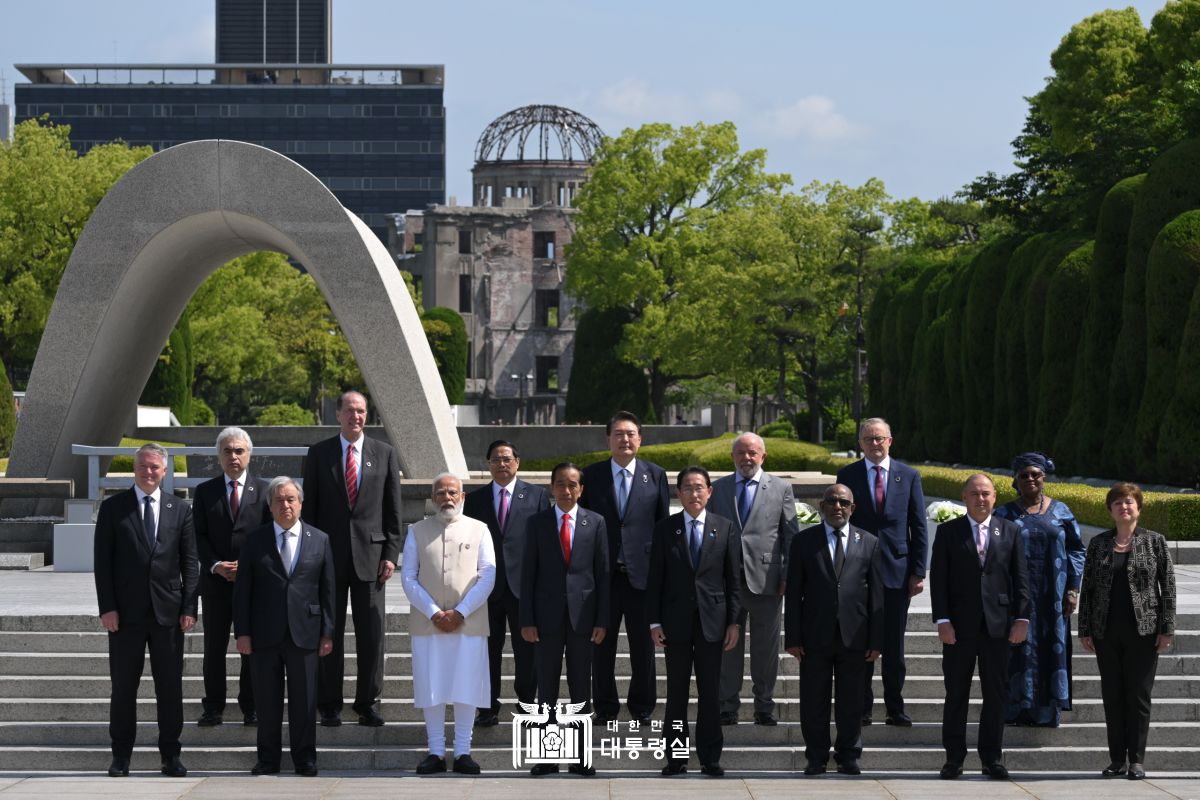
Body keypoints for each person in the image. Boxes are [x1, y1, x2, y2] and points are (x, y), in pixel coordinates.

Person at [93, 443, 199, 778]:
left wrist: (189, 608)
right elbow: (102, 564)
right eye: (143, 466)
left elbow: (189, 563)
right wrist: (107, 607)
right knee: (123, 687)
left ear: (165, 471)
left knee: (170, 688)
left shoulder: (180, 509)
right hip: (125, 616)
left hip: (168, 614)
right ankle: (121, 756)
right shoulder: (113, 508)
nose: (149, 472)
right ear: (134, 469)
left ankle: (171, 755)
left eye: (155, 467)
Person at [301, 389, 402, 727]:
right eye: (350, 411)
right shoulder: (319, 454)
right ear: (338, 414)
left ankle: (367, 702)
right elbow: (309, 511)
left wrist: (391, 554)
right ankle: (329, 703)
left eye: (361, 411)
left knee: (371, 634)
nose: (356, 417)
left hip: (371, 559)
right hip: (327, 557)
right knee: (329, 632)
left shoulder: (385, 454)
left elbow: (393, 512)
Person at [234, 477, 335, 777]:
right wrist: (242, 632)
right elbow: (243, 592)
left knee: (304, 703)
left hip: (305, 632)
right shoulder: (255, 541)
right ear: (270, 506)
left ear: (301, 503)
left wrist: (328, 632)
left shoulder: (320, 539)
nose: (285, 505)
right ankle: (268, 759)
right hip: (264, 635)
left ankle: (305, 759)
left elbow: (328, 590)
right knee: (266, 702)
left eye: (291, 499)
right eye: (279, 500)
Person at [930, 474, 1030, 780]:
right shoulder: (949, 532)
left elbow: (1021, 579)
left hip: (998, 627)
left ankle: (992, 758)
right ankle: (954, 759)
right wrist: (942, 619)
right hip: (959, 627)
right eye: (974, 493)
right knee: (956, 693)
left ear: (995, 497)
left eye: (986, 493)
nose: (981, 498)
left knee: (995, 694)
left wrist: (1022, 619)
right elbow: (939, 579)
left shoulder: (1010, 531)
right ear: (964, 497)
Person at [647, 467, 741, 778]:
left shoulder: (724, 528)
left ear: (710, 492)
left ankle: (710, 757)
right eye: (687, 487)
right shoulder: (665, 529)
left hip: (712, 623)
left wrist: (734, 623)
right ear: (678, 493)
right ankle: (675, 758)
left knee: (710, 692)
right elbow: (655, 580)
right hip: (674, 624)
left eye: (699, 487)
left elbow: (734, 580)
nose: (694, 493)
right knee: (676, 693)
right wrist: (654, 623)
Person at [1079, 482, 1176, 780]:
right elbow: (1089, 589)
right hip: (1106, 630)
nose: (1124, 507)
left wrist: (1166, 629)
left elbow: (1168, 587)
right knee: (1112, 694)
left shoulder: (1154, 542)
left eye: (1130, 502)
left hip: (1144, 631)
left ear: (1139, 508)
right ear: (1110, 510)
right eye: (1118, 502)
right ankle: (1116, 759)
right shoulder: (1099, 544)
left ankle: (1136, 760)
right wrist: (1084, 628)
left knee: (1138, 695)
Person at [785, 483, 883, 776]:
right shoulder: (804, 542)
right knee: (813, 701)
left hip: (855, 636)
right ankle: (816, 757)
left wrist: (876, 639)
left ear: (853, 508)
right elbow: (793, 593)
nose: (837, 507)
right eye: (831, 501)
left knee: (851, 701)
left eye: (843, 502)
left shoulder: (870, 542)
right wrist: (793, 637)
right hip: (815, 635)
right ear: (821, 507)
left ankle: (848, 755)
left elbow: (877, 596)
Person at [401, 474, 496, 776]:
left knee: (467, 686)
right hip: (429, 624)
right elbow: (408, 577)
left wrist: (461, 612)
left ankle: (464, 752)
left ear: (463, 496)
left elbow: (487, 576)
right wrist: (434, 612)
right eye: (440, 493)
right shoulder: (417, 531)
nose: (446, 498)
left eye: (452, 492)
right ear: (432, 497)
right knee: (434, 687)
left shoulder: (480, 530)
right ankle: (436, 752)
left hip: (469, 623)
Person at [579, 411, 669, 725]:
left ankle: (642, 707)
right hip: (602, 577)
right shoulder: (591, 476)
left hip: (641, 577)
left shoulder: (655, 475)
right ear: (608, 439)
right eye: (618, 434)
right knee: (600, 646)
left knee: (643, 648)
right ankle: (604, 707)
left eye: (631, 433)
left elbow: (662, 530)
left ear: (640, 438)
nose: (625, 439)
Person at [836, 417, 927, 727]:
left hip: (897, 572)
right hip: (856, 573)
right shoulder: (847, 475)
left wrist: (918, 570)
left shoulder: (909, 475)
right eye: (868, 439)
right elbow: (840, 524)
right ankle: (862, 708)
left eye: (880, 438)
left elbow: (919, 525)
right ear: (860, 444)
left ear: (890, 441)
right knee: (860, 644)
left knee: (894, 648)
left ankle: (895, 707)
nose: (875, 444)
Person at [519, 462, 609, 777]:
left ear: (581, 489)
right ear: (551, 488)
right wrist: (526, 619)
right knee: (546, 689)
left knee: (581, 687)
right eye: (560, 484)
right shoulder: (538, 523)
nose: (566, 490)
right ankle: (547, 756)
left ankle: (581, 757)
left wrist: (602, 619)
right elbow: (527, 574)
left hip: (583, 618)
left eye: (572, 484)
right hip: (545, 619)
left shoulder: (596, 522)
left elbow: (602, 575)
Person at [710, 432, 797, 726]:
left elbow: (790, 536)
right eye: (741, 453)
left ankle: (764, 706)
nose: (747, 458)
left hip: (767, 581)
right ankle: (727, 705)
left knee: (765, 650)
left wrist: (787, 575)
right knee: (728, 647)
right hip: (726, 583)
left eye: (752, 453)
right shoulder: (718, 489)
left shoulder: (781, 488)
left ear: (763, 456)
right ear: (732, 456)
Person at [993, 452, 1086, 727]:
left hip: (1053, 598)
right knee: (1017, 652)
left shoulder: (1061, 511)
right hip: (1016, 599)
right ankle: (1016, 710)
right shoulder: (1004, 514)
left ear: (1044, 478)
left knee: (1050, 650)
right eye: (1024, 475)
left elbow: (1076, 550)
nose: (1030, 479)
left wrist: (1073, 588)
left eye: (1035, 474)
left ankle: (1046, 712)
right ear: (1015, 480)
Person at [463, 440, 549, 727]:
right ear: (488, 464)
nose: (502, 464)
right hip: (486, 588)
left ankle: (527, 705)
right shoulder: (475, 500)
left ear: (517, 462)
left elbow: (543, 544)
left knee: (528, 651)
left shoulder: (536, 495)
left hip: (524, 587)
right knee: (487, 651)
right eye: (495, 460)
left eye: (506, 459)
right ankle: (487, 707)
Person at [193, 427, 272, 728]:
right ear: (219, 456)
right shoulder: (205, 492)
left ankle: (250, 705)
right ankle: (213, 706)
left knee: (249, 645)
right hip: (215, 584)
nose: (234, 456)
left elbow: (269, 536)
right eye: (227, 451)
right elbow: (197, 536)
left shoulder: (265, 491)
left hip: (252, 585)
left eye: (239, 450)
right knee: (214, 648)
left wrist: (247, 566)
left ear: (249, 455)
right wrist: (215, 565)